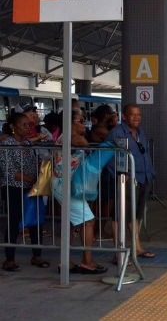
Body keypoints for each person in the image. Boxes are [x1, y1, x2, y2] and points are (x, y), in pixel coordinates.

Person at [52, 110, 107, 274]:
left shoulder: (65, 136)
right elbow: (87, 142)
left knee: (69, 223)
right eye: (80, 121)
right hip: (65, 186)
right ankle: (87, 261)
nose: (84, 124)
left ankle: (65, 262)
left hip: (66, 186)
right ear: (69, 123)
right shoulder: (72, 137)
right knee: (88, 221)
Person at [105, 104, 156, 259]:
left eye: (139, 114)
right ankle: (118, 253)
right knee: (120, 215)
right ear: (124, 116)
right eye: (132, 114)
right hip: (126, 180)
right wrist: (121, 173)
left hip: (143, 177)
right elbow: (107, 155)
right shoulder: (117, 133)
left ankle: (137, 247)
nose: (136, 117)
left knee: (135, 214)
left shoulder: (140, 132)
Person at [1, 113, 49, 271]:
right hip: (14, 187)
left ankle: (37, 255)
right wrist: (31, 179)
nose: (27, 127)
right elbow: (9, 171)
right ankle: (9, 259)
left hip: (31, 187)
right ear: (13, 127)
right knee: (13, 222)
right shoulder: (7, 144)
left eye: (28, 125)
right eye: (23, 124)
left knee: (36, 221)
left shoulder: (28, 143)